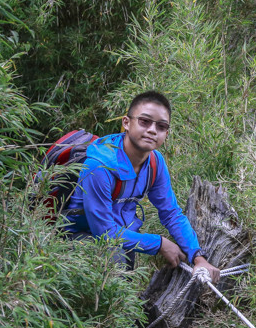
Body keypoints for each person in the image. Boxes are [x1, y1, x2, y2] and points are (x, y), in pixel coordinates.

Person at [62, 90, 221, 284]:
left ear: (166, 133)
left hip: (119, 236)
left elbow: (171, 213)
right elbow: (104, 234)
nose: (153, 130)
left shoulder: (155, 162)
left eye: (161, 126)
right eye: (145, 121)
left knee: (124, 268)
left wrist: (198, 257)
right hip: (75, 239)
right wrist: (159, 244)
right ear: (126, 123)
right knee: (115, 258)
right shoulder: (99, 166)